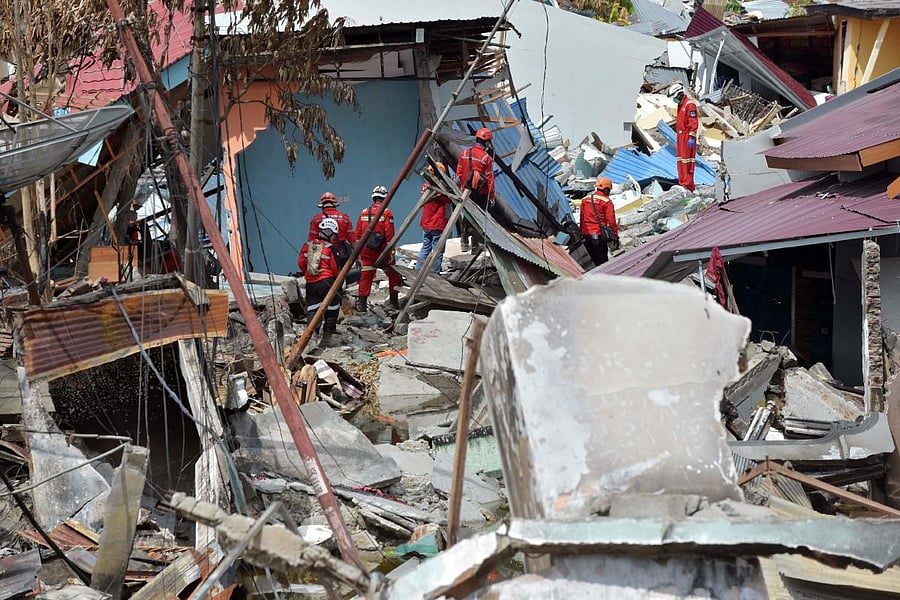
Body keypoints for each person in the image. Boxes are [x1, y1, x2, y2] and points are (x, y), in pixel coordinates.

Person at [355, 185, 402, 313]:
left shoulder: (364, 212)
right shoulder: (387, 212)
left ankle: (362, 305)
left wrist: (358, 254)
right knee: (393, 274)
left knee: (366, 276)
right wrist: (391, 252)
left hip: (366, 251)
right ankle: (393, 302)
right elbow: (390, 235)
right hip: (382, 251)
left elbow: (358, 235)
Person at [298, 217, 342, 345]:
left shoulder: (307, 246)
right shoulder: (330, 248)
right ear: (332, 233)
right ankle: (328, 333)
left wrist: (308, 274)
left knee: (312, 308)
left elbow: (301, 263)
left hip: (311, 283)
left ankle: (312, 335)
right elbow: (335, 268)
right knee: (333, 306)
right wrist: (338, 281)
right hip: (327, 281)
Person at [455, 127, 495, 253]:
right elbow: (490, 180)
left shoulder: (464, 153)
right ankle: (475, 247)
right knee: (477, 218)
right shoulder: (486, 158)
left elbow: (459, 173)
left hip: (466, 191)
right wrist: (492, 196)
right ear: (486, 142)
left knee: (466, 216)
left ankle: (464, 242)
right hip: (480, 193)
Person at [418, 163, 451, 274]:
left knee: (426, 247)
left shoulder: (424, 186)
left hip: (425, 223)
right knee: (438, 251)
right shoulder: (437, 188)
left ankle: (418, 270)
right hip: (436, 223)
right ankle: (434, 273)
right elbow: (448, 200)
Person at [308, 191, 356, 269]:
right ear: (334, 204)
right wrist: (358, 257)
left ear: (322, 206)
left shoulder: (316, 220)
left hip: (323, 255)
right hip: (341, 254)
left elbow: (312, 241)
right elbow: (352, 239)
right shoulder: (344, 218)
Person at [580, 177, 619, 267]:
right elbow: (611, 221)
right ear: (606, 189)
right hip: (598, 236)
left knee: (593, 263)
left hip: (586, 236)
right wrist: (615, 236)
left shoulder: (585, 199)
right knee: (602, 263)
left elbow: (582, 218)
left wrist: (581, 233)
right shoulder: (606, 201)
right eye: (608, 190)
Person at [670, 83, 699, 192]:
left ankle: (689, 185)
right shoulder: (681, 105)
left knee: (687, 162)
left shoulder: (689, 105)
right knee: (681, 161)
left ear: (679, 94)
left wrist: (691, 137)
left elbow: (693, 123)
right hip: (681, 136)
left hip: (687, 137)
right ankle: (682, 182)